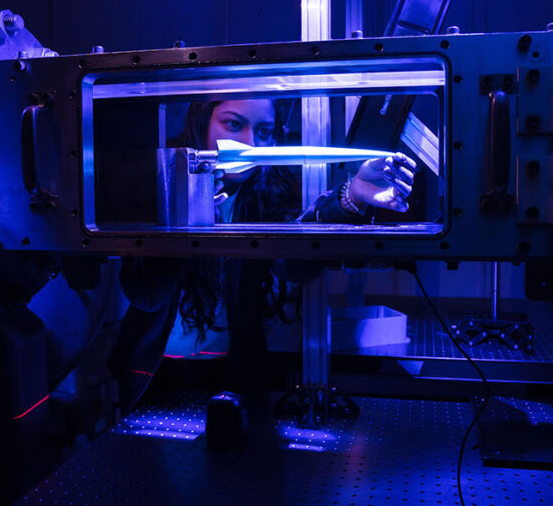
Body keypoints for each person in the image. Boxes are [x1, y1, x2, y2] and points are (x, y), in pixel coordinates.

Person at [110, 97, 416, 417]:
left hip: (235, 375)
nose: (249, 143)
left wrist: (352, 196)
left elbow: (296, 262)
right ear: (200, 124)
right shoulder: (161, 181)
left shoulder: (265, 195)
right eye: (233, 124)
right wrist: (188, 220)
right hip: (153, 373)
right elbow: (144, 293)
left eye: (264, 131)